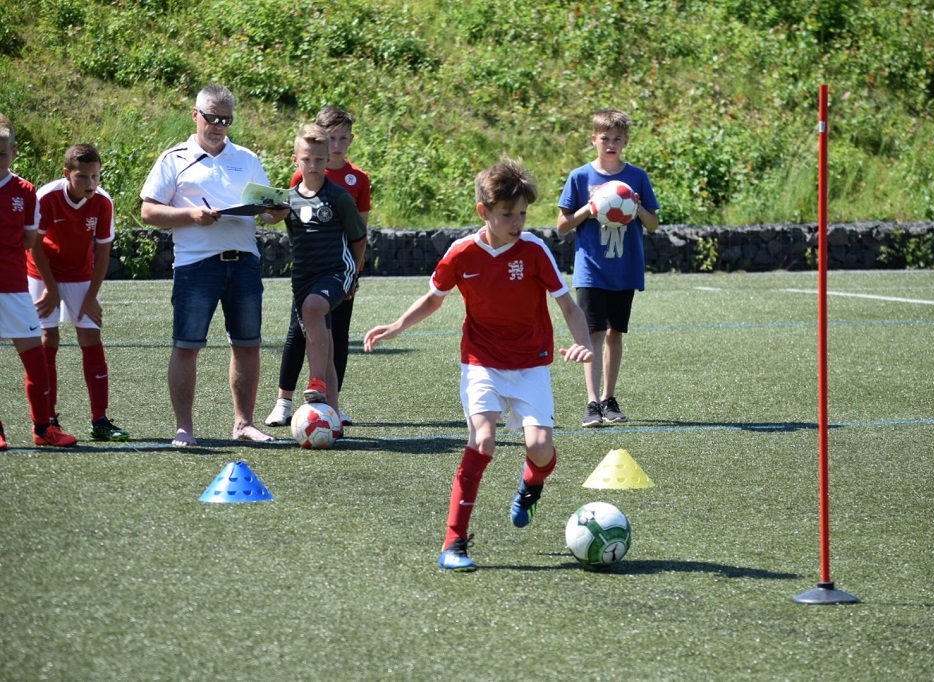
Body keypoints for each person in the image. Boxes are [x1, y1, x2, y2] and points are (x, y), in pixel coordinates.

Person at [364, 157, 594, 572]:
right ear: (483, 212)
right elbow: (434, 298)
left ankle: (532, 483)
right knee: (483, 439)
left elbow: (568, 306)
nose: (517, 222)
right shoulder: (462, 252)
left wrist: (583, 344)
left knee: (540, 450)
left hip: (530, 364)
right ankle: (454, 542)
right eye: (507, 214)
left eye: (522, 213)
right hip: (481, 360)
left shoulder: (534, 250)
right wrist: (397, 326)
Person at [139, 84, 290, 447]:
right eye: (213, 118)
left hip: (244, 263)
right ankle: (184, 428)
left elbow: (269, 211)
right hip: (196, 266)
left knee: (248, 345)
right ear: (195, 115)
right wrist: (191, 215)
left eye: (226, 120)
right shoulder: (174, 158)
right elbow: (148, 210)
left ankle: (244, 424)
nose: (219, 126)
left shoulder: (247, 158)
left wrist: (276, 212)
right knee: (186, 346)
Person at [264, 106, 371, 428]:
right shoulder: (291, 193)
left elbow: (359, 237)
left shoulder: (343, 192)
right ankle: (327, 413)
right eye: (307, 159)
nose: (313, 165)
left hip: (337, 272)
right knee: (318, 336)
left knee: (320, 317)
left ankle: (318, 383)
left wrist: (354, 276)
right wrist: (262, 211)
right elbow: (274, 217)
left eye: (319, 160)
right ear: (296, 160)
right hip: (303, 276)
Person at [556, 108, 659, 428]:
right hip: (591, 269)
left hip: (625, 268)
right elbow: (562, 225)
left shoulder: (637, 177)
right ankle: (591, 403)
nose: (611, 144)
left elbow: (653, 224)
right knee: (594, 334)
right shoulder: (580, 177)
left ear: (626, 142)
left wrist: (635, 206)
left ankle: (608, 399)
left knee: (615, 333)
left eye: (617, 139)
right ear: (594, 140)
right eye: (605, 138)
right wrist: (590, 208)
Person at [28, 143, 129, 442]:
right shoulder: (46, 197)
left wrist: (91, 296)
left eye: (95, 176)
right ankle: (48, 420)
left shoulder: (103, 202)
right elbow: (34, 246)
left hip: (80, 274)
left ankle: (100, 420)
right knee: (48, 339)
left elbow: (103, 252)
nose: (90, 183)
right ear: (66, 173)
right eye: (82, 176)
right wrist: (51, 288)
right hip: (41, 273)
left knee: (91, 335)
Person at [0, 115, 78, 449]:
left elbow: (30, 240)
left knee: (37, 360)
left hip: (14, 288)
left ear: (14, 151)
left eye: (1, 153)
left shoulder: (25, 191)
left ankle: (43, 428)